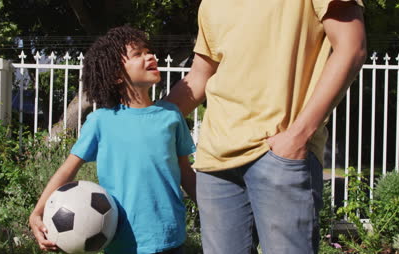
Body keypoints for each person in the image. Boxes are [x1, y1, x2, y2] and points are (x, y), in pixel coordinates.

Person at [166, 0, 367, 253]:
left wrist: (298, 136)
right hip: (215, 162)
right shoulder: (211, 3)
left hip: (279, 152)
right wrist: (144, 120)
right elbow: (200, 77)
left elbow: (351, 48)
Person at [29, 26, 196, 254]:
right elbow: (67, 170)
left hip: (171, 239)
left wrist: (213, 209)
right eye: (137, 54)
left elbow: (186, 172)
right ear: (117, 75)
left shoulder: (171, 116)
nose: (150, 56)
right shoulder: (101, 121)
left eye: (148, 51)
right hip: (121, 242)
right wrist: (37, 212)